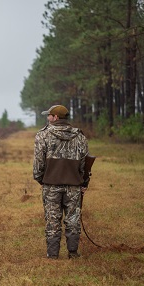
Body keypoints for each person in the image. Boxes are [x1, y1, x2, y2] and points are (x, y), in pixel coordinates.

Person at [33, 105, 89, 259]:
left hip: (51, 185)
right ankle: (73, 252)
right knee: (73, 219)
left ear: (56, 118)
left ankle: (52, 255)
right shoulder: (80, 136)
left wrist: (41, 179)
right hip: (73, 186)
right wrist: (82, 182)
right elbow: (84, 162)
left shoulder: (42, 135)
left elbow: (38, 163)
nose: (48, 118)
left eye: (49, 115)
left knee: (52, 220)